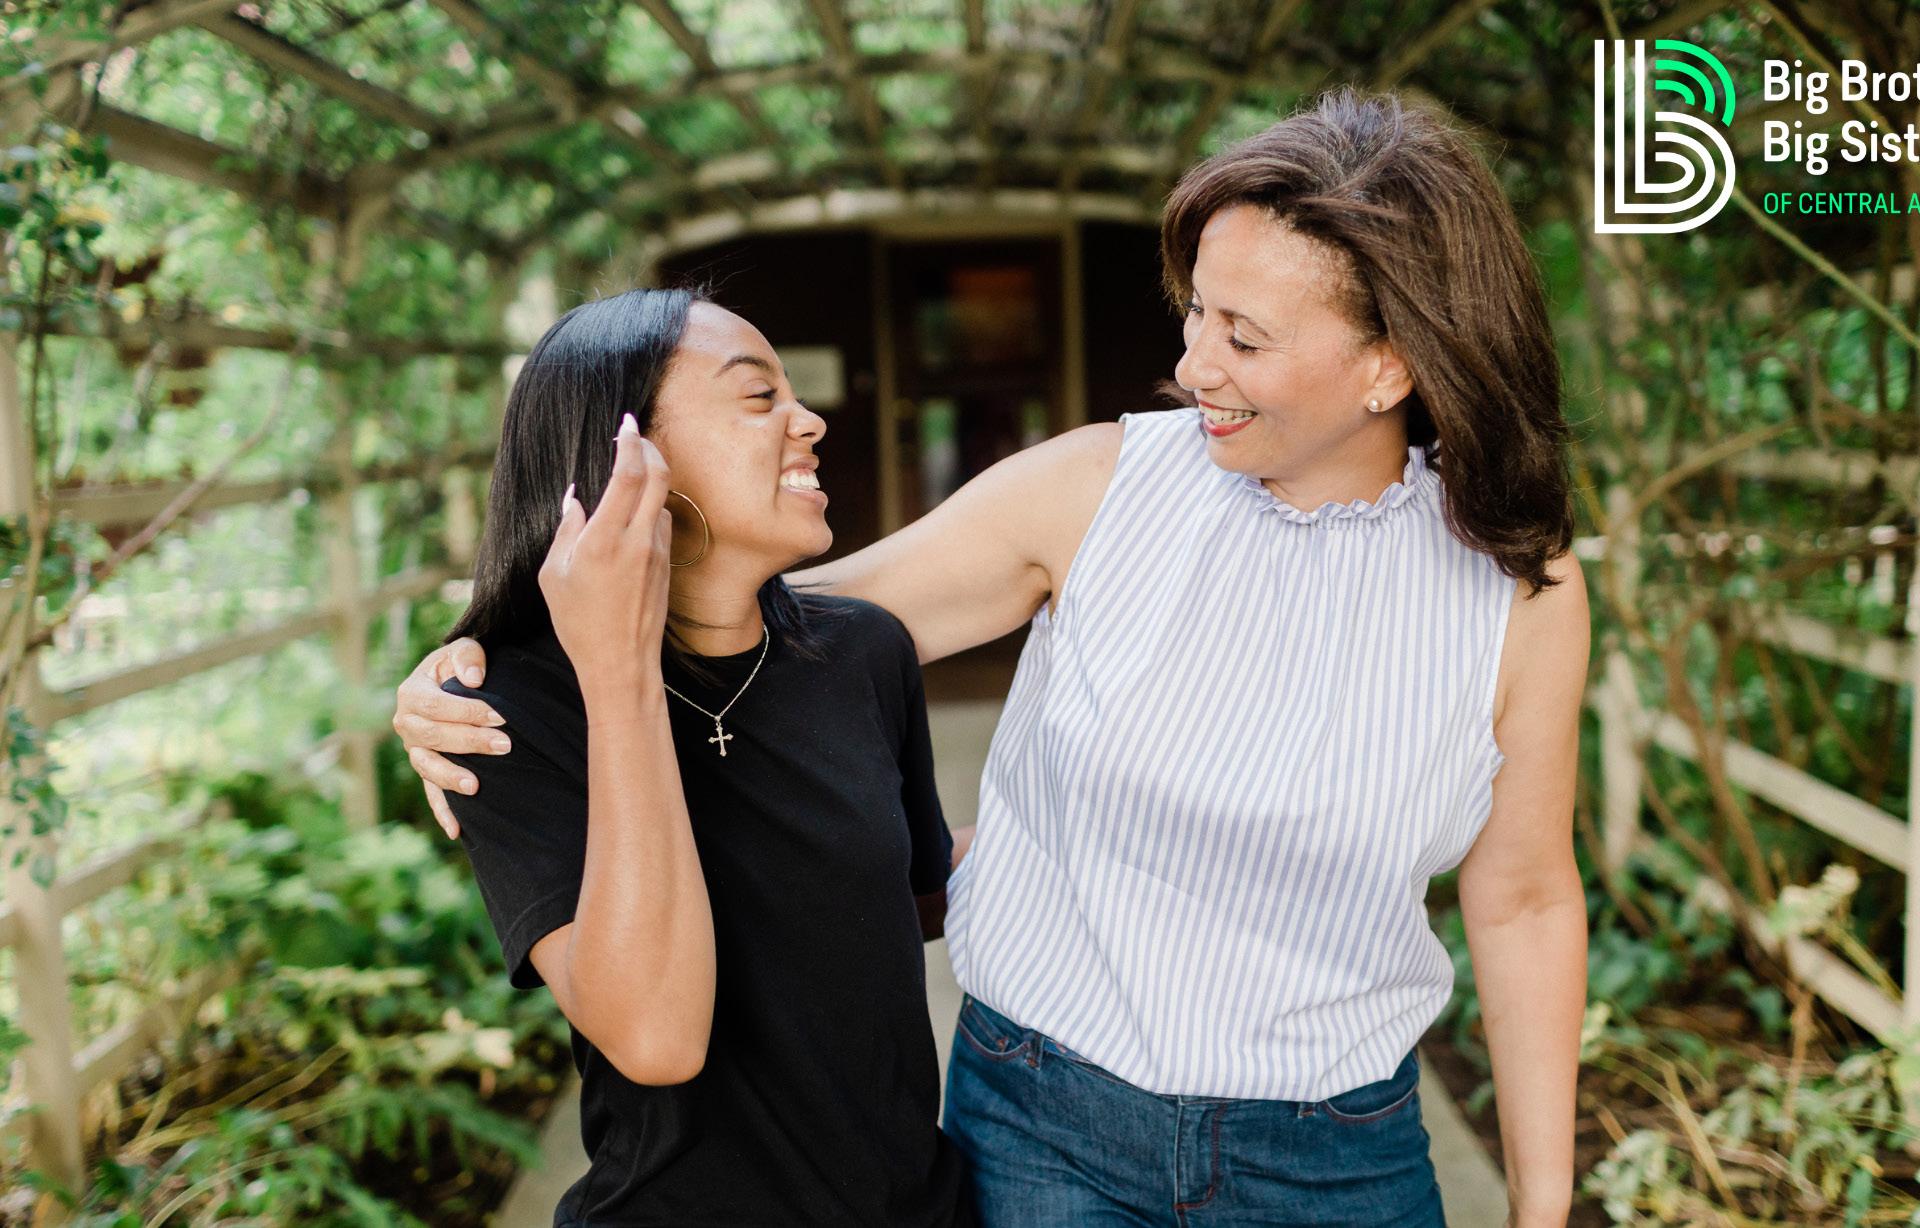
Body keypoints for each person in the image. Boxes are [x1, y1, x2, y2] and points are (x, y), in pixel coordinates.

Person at [397, 89, 1587, 1227]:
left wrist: (1540, 1199)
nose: (1193, 365)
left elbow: (1524, 897)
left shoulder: (1516, 589)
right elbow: (743, 615)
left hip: (1337, 1154)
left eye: (1243, 335)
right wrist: (486, 664)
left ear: (1390, 364)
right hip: (1043, 1128)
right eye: (1194, 312)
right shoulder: (1100, 487)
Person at [425, 287, 973, 1226]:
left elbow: (916, 894)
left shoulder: (865, 652)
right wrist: (618, 671)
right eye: (760, 398)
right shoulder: (504, 714)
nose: (810, 422)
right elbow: (656, 1039)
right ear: (626, 455)